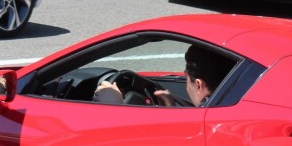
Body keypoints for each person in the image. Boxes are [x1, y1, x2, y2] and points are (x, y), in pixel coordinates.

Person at [94, 44, 232, 107]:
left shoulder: (210, 116)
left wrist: (114, 104)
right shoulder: (229, 100)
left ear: (198, 84)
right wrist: (170, 105)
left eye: (186, 76)